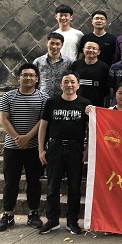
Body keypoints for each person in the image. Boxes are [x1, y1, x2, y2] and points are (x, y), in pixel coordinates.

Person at [0, 63, 49, 232]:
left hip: (34, 147)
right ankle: (8, 214)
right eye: (25, 75)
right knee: (10, 182)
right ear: (18, 78)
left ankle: (33, 213)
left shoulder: (43, 97)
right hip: (12, 147)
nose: (28, 78)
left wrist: (27, 138)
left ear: (37, 79)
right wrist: (17, 138)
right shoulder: (8, 96)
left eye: (31, 75)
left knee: (34, 181)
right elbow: (4, 119)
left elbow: (43, 121)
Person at [37, 71, 91, 235]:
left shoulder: (85, 104)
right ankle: (52, 220)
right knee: (52, 186)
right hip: (55, 147)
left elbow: (90, 128)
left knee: (74, 187)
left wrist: (87, 149)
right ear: (60, 85)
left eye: (72, 82)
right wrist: (41, 149)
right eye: (66, 82)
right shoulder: (52, 102)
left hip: (75, 148)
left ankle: (72, 221)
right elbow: (43, 126)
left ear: (78, 85)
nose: (69, 85)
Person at [33, 32, 73, 98]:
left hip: (62, 98)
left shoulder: (69, 62)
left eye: (57, 44)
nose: (54, 47)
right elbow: (33, 81)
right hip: (41, 98)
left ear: (62, 45)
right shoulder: (38, 62)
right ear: (47, 43)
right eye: (52, 43)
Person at [70, 41, 110, 107]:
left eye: (94, 48)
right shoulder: (76, 65)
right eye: (88, 48)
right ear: (83, 50)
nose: (91, 50)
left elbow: (106, 89)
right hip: (76, 103)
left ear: (99, 52)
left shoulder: (104, 67)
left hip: (96, 104)